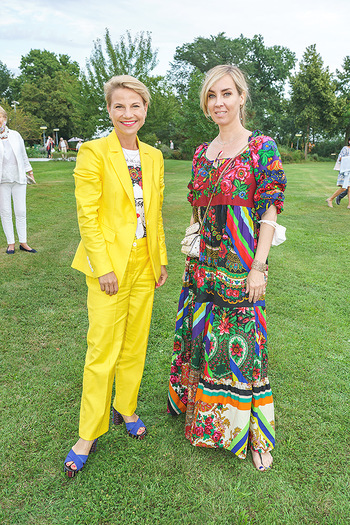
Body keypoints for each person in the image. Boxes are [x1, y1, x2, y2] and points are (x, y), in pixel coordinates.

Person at [167, 65, 287, 472]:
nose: (219, 102)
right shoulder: (203, 152)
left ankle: (256, 435)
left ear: (241, 98)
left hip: (241, 263)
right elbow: (199, 209)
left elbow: (269, 210)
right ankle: (206, 418)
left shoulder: (261, 147)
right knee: (204, 336)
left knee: (246, 346)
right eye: (212, 96)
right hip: (203, 263)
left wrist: (259, 266)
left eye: (227, 94)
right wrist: (192, 240)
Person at [64, 75, 168, 477]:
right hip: (108, 265)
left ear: (145, 110)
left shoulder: (155, 156)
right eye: (119, 106)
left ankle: (126, 407)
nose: (128, 113)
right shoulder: (93, 152)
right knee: (102, 348)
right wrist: (103, 266)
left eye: (135, 106)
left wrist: (158, 259)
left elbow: (154, 213)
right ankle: (87, 433)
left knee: (135, 343)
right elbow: (87, 216)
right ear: (109, 110)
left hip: (145, 262)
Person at [0, 105, 37, 254]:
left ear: (4, 118)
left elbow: (23, 155)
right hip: (2, 180)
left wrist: (29, 170)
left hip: (19, 178)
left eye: (0, 118)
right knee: (5, 211)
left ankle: (23, 242)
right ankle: (11, 243)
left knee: (21, 211)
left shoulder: (15, 135)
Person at [326, 138, 350, 208]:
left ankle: (349, 205)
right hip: (345, 171)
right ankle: (330, 199)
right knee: (344, 188)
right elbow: (340, 158)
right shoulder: (345, 148)